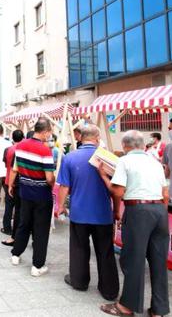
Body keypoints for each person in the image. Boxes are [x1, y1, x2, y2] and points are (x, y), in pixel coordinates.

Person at [97, 130, 169, 317]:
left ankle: (126, 307)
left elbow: (118, 192)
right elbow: (165, 193)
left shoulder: (124, 161)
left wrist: (104, 176)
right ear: (142, 144)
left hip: (139, 211)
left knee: (133, 259)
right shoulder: (155, 162)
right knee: (159, 261)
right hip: (160, 211)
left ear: (125, 146)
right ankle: (159, 309)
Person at [56, 124, 119, 301]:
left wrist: (59, 206)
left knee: (78, 248)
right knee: (105, 251)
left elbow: (64, 186)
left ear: (80, 138)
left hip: (79, 212)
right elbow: (116, 189)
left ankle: (79, 281)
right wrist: (116, 210)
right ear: (98, 138)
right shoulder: (108, 159)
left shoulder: (70, 158)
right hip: (102, 214)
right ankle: (109, 290)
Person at [8, 118, 55, 277]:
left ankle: (16, 254)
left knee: (23, 223)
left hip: (25, 192)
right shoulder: (45, 150)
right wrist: (53, 182)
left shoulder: (20, 146)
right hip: (42, 195)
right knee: (40, 230)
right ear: (46, 131)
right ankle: (37, 265)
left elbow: (16, 168)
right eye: (50, 132)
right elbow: (49, 178)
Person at [1, 129, 24, 244]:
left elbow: (6, 164)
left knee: (9, 206)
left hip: (8, 179)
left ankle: (6, 227)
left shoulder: (7, 149)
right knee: (19, 208)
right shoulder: (23, 149)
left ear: (12, 138)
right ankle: (17, 230)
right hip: (19, 182)